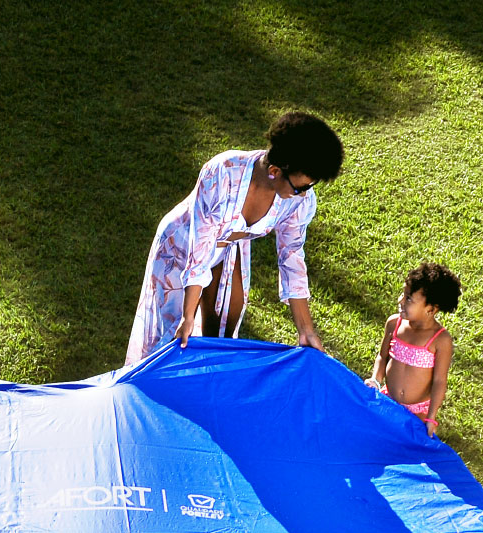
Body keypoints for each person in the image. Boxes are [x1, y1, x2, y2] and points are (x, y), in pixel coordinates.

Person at [125, 112, 343, 366]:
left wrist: (306, 330)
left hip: (228, 248)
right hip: (182, 245)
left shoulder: (299, 201)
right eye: (300, 188)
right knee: (173, 336)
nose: (304, 194)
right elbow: (200, 247)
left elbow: (292, 259)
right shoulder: (223, 172)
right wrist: (187, 315)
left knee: (223, 332)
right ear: (275, 171)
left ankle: (208, 386)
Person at [366, 263, 461, 438]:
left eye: (409, 299)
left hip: (418, 413)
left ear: (430, 309)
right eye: (403, 294)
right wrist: (375, 380)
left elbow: (439, 381)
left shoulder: (440, 340)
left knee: (405, 447)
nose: (400, 301)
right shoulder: (394, 324)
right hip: (388, 401)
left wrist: (431, 417)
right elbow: (382, 356)